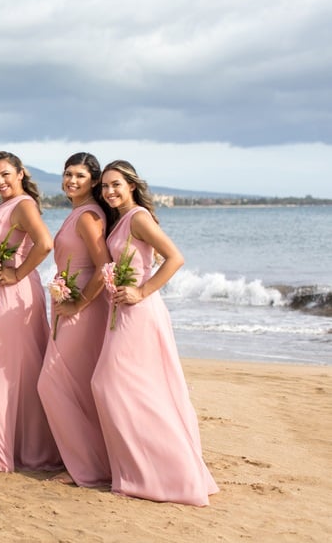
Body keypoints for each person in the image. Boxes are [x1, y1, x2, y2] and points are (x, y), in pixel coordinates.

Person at [91, 160, 219, 506]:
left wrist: (141, 291)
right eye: (104, 186)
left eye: (116, 184)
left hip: (139, 312)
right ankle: (139, 472)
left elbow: (175, 258)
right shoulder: (121, 220)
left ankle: (165, 474)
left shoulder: (138, 218)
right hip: (124, 311)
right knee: (127, 387)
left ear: (132, 185)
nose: (109, 191)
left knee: (111, 384)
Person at [0, 151, 61, 473]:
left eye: (6, 174)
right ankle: (20, 447)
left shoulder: (24, 205)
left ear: (21, 173)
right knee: (16, 370)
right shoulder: (4, 206)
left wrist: (17, 273)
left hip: (12, 293)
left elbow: (45, 244)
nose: (0, 181)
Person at [37, 152, 112, 487]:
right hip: (68, 304)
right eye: (68, 174)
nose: (72, 181)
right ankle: (86, 462)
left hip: (83, 309)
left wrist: (79, 303)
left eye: (80, 176)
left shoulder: (88, 217)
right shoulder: (77, 213)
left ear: (94, 180)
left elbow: (105, 267)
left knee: (51, 383)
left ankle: (86, 467)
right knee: (74, 387)